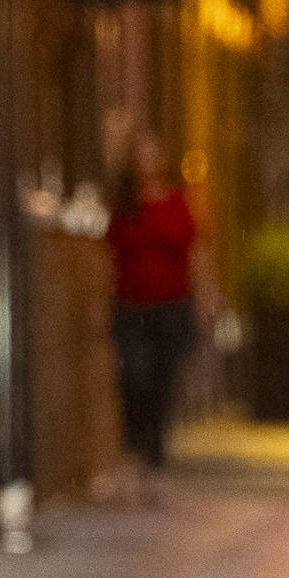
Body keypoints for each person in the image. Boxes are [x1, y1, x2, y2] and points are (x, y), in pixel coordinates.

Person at [106, 134, 198, 472]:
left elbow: (194, 249)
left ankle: (154, 454)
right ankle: (134, 446)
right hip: (131, 306)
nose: (147, 162)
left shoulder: (176, 201)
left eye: (152, 155)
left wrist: (205, 298)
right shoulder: (124, 204)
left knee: (162, 380)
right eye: (141, 155)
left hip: (170, 306)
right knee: (133, 377)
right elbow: (110, 250)